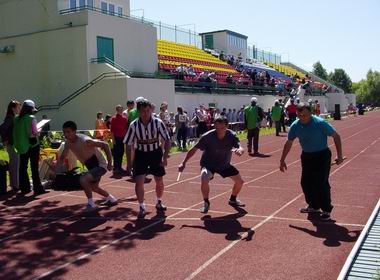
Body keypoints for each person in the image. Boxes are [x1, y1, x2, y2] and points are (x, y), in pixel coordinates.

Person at [279, 103, 344, 221]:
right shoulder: (295, 125)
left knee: (321, 182)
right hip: (307, 156)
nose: (302, 118)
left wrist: (339, 156)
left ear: (310, 113)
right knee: (305, 182)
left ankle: (326, 209)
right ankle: (313, 206)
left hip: (322, 155)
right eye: (299, 115)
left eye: (304, 115)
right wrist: (282, 160)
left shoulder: (320, 123)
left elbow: (336, 136)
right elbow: (289, 142)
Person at [178, 117, 245, 213]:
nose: (219, 131)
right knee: (204, 176)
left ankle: (233, 199)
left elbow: (240, 147)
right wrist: (183, 162)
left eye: (222, 128)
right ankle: (206, 202)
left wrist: (240, 151)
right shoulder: (207, 136)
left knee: (240, 182)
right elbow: (193, 149)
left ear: (227, 126)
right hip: (209, 164)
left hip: (224, 164)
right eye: (217, 128)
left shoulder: (232, 135)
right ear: (214, 126)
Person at [123, 99, 171, 219]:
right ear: (139, 112)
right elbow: (128, 144)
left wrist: (164, 157)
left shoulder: (158, 122)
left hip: (155, 153)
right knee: (139, 181)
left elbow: (167, 139)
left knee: (159, 179)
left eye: (148, 110)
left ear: (151, 110)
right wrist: (129, 163)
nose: (146, 113)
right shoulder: (134, 125)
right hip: (141, 154)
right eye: (143, 111)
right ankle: (141, 206)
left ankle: (159, 201)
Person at [59, 121, 117, 211]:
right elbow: (63, 156)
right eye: (64, 132)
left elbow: (105, 145)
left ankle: (91, 204)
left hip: (100, 165)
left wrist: (110, 163)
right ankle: (111, 199)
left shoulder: (85, 141)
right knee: (94, 187)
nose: (66, 134)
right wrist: (59, 162)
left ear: (74, 132)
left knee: (83, 179)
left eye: (68, 132)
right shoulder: (68, 143)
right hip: (91, 166)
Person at [13, 100, 47, 195]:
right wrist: (38, 130)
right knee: (34, 167)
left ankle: (25, 188)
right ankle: (38, 188)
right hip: (33, 145)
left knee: (23, 167)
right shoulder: (31, 118)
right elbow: (34, 133)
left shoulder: (16, 119)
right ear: (31, 109)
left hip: (21, 145)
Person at [0, 100, 21, 193]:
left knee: (14, 163)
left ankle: (14, 184)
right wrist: (5, 139)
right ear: (13, 108)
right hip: (11, 144)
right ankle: (15, 185)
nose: (19, 109)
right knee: (15, 164)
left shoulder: (12, 117)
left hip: (12, 144)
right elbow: (2, 128)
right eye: (18, 107)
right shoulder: (10, 118)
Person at [110, 105, 128, 175]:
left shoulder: (124, 118)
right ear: (116, 110)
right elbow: (112, 130)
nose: (119, 110)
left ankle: (119, 167)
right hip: (116, 138)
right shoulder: (113, 119)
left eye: (121, 109)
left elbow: (126, 129)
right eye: (118, 109)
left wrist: (126, 138)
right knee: (116, 153)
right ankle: (115, 168)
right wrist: (113, 139)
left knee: (121, 152)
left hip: (123, 138)